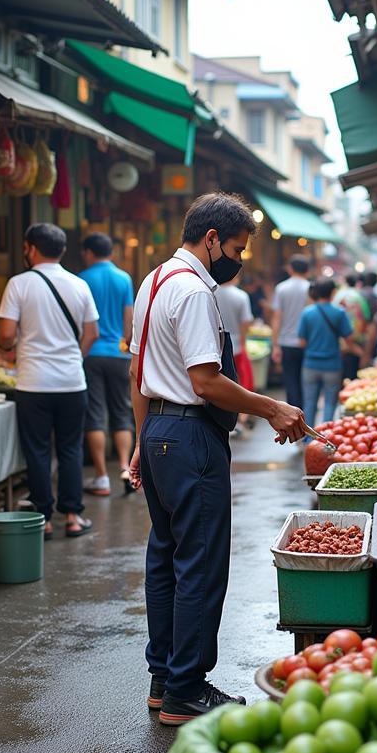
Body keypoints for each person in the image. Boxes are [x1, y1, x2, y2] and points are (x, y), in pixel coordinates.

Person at [128, 193, 304, 725]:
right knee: (200, 564)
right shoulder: (195, 292)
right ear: (210, 240)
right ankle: (186, 690)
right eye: (236, 248)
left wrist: (142, 440)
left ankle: (164, 680)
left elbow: (138, 371)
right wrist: (271, 407)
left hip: (161, 430)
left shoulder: (152, 282)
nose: (239, 260)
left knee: (165, 559)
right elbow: (205, 381)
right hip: (190, 438)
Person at [0, 224, 99, 540]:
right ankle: (72, 516)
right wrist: (73, 359)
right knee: (70, 449)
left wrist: (10, 346)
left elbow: (5, 336)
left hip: (33, 383)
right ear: (63, 251)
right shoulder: (79, 284)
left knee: (38, 451)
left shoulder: (18, 284)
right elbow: (92, 333)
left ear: (30, 248)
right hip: (72, 381)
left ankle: (43, 519)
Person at [78, 232, 135, 498]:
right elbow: (129, 320)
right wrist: (126, 345)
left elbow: (82, 322)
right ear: (111, 252)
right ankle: (125, 468)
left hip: (90, 353)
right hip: (118, 354)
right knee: (122, 412)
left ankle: (101, 477)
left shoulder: (82, 279)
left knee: (96, 415)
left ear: (89, 253)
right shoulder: (124, 278)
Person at [298, 278, 355, 428]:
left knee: (310, 402)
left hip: (310, 364)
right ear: (333, 292)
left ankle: (308, 439)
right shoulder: (339, 313)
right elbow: (349, 337)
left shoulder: (307, 313)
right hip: (332, 365)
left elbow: (302, 342)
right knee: (330, 402)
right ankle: (325, 438)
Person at [216, 271, 255, 432]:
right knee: (242, 382)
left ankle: (223, 417)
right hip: (237, 346)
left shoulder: (210, 292)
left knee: (219, 383)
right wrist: (243, 341)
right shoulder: (241, 296)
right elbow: (246, 322)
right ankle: (240, 419)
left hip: (215, 346)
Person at [270, 255, 311, 410]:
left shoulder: (281, 288)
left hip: (286, 342)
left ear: (290, 269)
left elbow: (277, 317)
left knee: (291, 381)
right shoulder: (310, 287)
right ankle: (306, 416)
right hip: (306, 342)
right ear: (307, 270)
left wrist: (275, 344)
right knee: (305, 381)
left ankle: (294, 417)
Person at [334, 274, 370, 381]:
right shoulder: (358, 297)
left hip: (339, 339)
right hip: (355, 338)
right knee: (352, 372)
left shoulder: (337, 295)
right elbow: (365, 317)